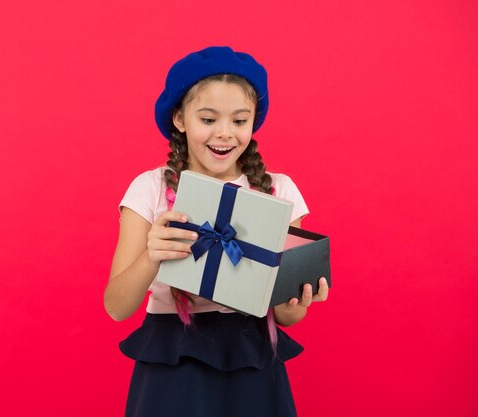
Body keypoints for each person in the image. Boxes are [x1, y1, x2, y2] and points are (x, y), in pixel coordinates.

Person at [104, 46, 329, 417]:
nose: (225, 134)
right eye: (208, 119)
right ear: (180, 118)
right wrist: (153, 256)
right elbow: (116, 307)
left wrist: (297, 301)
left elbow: (286, 317)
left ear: (253, 122)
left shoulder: (279, 192)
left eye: (239, 121)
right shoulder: (151, 188)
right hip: (171, 357)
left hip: (252, 358)